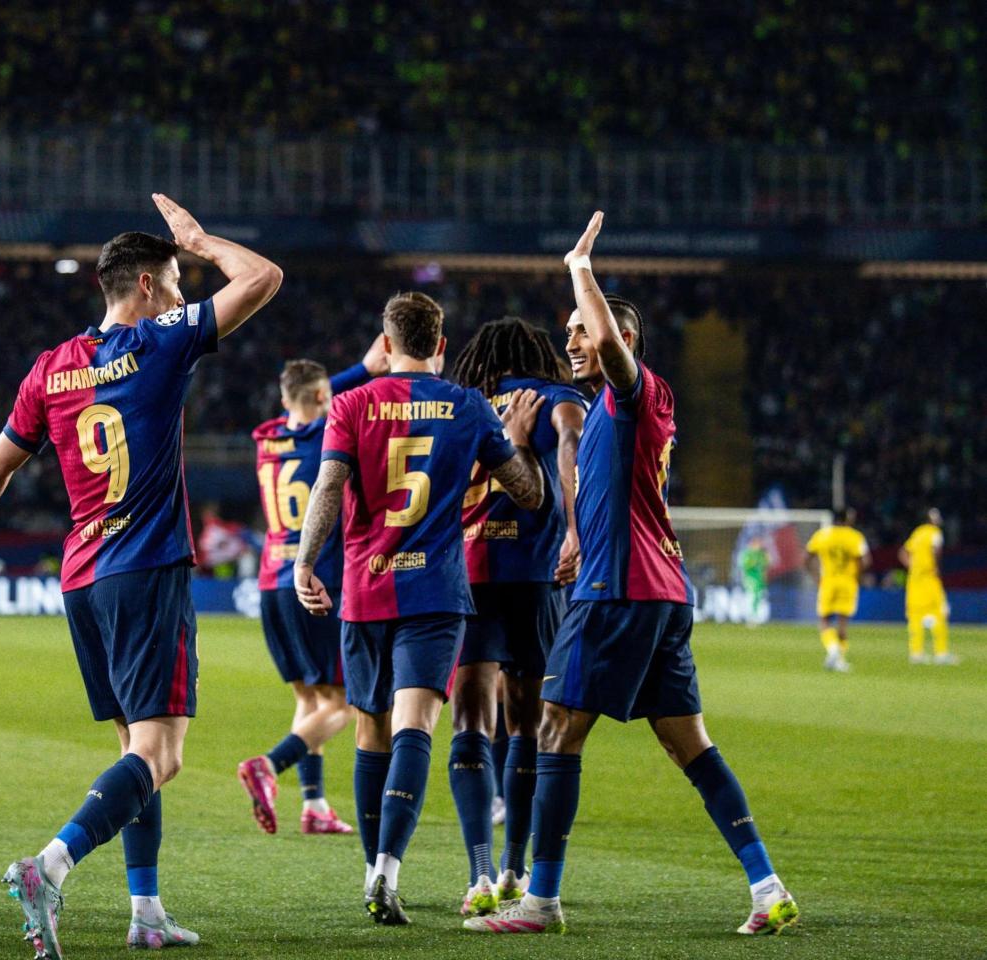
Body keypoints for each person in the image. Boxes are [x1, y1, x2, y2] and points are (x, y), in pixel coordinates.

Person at [0, 194, 281, 957]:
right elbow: (261, 278)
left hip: (84, 579)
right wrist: (200, 238)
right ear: (150, 287)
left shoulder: (49, 368)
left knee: (136, 749)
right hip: (147, 568)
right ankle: (50, 865)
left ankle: (146, 910)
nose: (186, 296)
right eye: (178, 282)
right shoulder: (160, 341)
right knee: (163, 755)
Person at [465, 212, 798, 936]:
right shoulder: (610, 414)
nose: (572, 343)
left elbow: (613, 352)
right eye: (570, 334)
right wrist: (579, 536)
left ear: (621, 342)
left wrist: (580, 268)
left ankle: (541, 900)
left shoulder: (633, 392)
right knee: (690, 746)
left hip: (619, 593)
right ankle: (767, 885)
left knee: (554, 729)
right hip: (656, 591)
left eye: (583, 332)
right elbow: (597, 483)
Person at [292, 291, 546, 925]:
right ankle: (388, 871)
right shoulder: (467, 407)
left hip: (365, 587)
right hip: (434, 592)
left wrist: (304, 561)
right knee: (415, 729)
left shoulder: (350, 403)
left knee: (370, 733)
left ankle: (371, 869)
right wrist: (516, 441)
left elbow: (328, 487)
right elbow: (530, 494)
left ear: (387, 341)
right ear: (441, 344)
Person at [451, 317, 586, 914]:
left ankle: (477, 874)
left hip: (468, 574)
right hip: (533, 577)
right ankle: (513, 870)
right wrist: (579, 533)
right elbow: (573, 453)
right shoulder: (557, 398)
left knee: (469, 722)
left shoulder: (461, 403)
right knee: (527, 728)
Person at [236, 342, 388, 838]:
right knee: (342, 705)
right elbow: (332, 407)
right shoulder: (329, 434)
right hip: (316, 580)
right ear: (325, 396)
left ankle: (315, 804)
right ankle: (269, 765)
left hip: (271, 584)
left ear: (285, 399)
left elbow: (313, 401)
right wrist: (364, 371)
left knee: (309, 701)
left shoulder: (266, 437)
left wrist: (355, 371)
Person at [806, 508, 869, 672]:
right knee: (842, 623)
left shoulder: (822, 535)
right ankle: (839, 660)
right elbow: (865, 561)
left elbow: (806, 558)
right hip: (848, 582)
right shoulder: (855, 536)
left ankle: (832, 649)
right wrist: (858, 577)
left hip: (828, 582)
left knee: (824, 620)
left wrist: (816, 578)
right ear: (846, 519)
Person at [901, 508, 954, 664]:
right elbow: (936, 550)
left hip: (914, 579)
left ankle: (916, 653)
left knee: (915, 615)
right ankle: (941, 653)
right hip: (929, 578)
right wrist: (936, 566)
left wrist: (912, 566)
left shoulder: (917, 532)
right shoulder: (934, 532)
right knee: (940, 612)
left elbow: (902, 552)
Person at [739, 537, 770, 626]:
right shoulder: (747, 554)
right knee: (751, 597)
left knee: (758, 598)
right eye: (757, 543)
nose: (759, 545)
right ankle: (750, 617)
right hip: (751, 580)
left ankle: (756, 616)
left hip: (760, 580)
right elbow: (745, 566)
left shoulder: (762, 554)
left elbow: (766, 565)